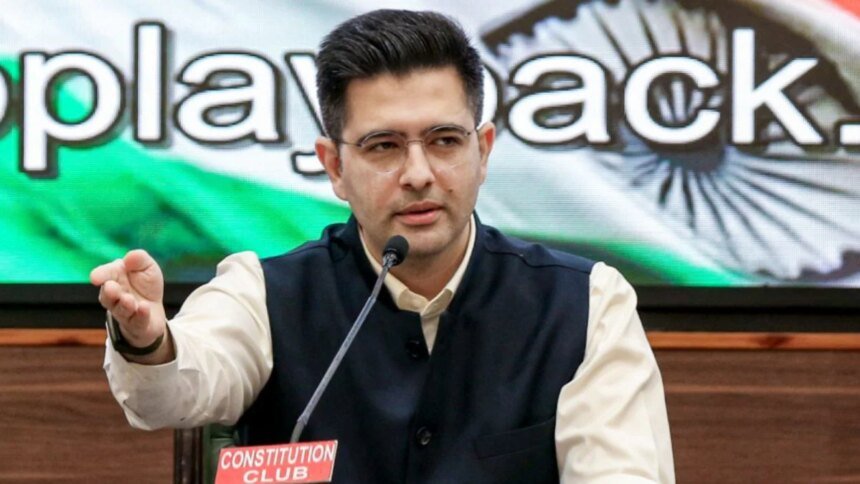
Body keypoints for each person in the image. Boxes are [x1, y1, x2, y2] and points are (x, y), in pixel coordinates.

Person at [92, 9, 674, 483]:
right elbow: (176, 392)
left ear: (484, 151)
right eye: (384, 147)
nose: (419, 173)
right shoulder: (262, 294)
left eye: (445, 140)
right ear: (335, 167)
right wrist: (148, 341)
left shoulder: (586, 303)